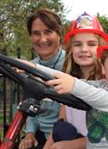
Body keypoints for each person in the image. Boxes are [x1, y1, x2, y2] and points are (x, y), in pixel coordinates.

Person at [42, 27, 108, 148]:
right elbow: (62, 78)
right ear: (103, 66)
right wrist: (32, 67)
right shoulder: (98, 86)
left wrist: (73, 85)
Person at [19, 12, 108, 149]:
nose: (84, 49)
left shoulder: (106, 84)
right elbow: (60, 122)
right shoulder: (71, 79)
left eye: (91, 44)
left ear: (59, 35)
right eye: (78, 44)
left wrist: (70, 144)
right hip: (58, 136)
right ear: (71, 49)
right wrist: (30, 133)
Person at [18, 8, 66, 149]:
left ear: (59, 35)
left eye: (48, 32)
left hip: (67, 133)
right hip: (39, 133)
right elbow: (31, 104)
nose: (42, 39)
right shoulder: (29, 67)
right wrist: (29, 133)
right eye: (36, 33)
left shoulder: (73, 64)